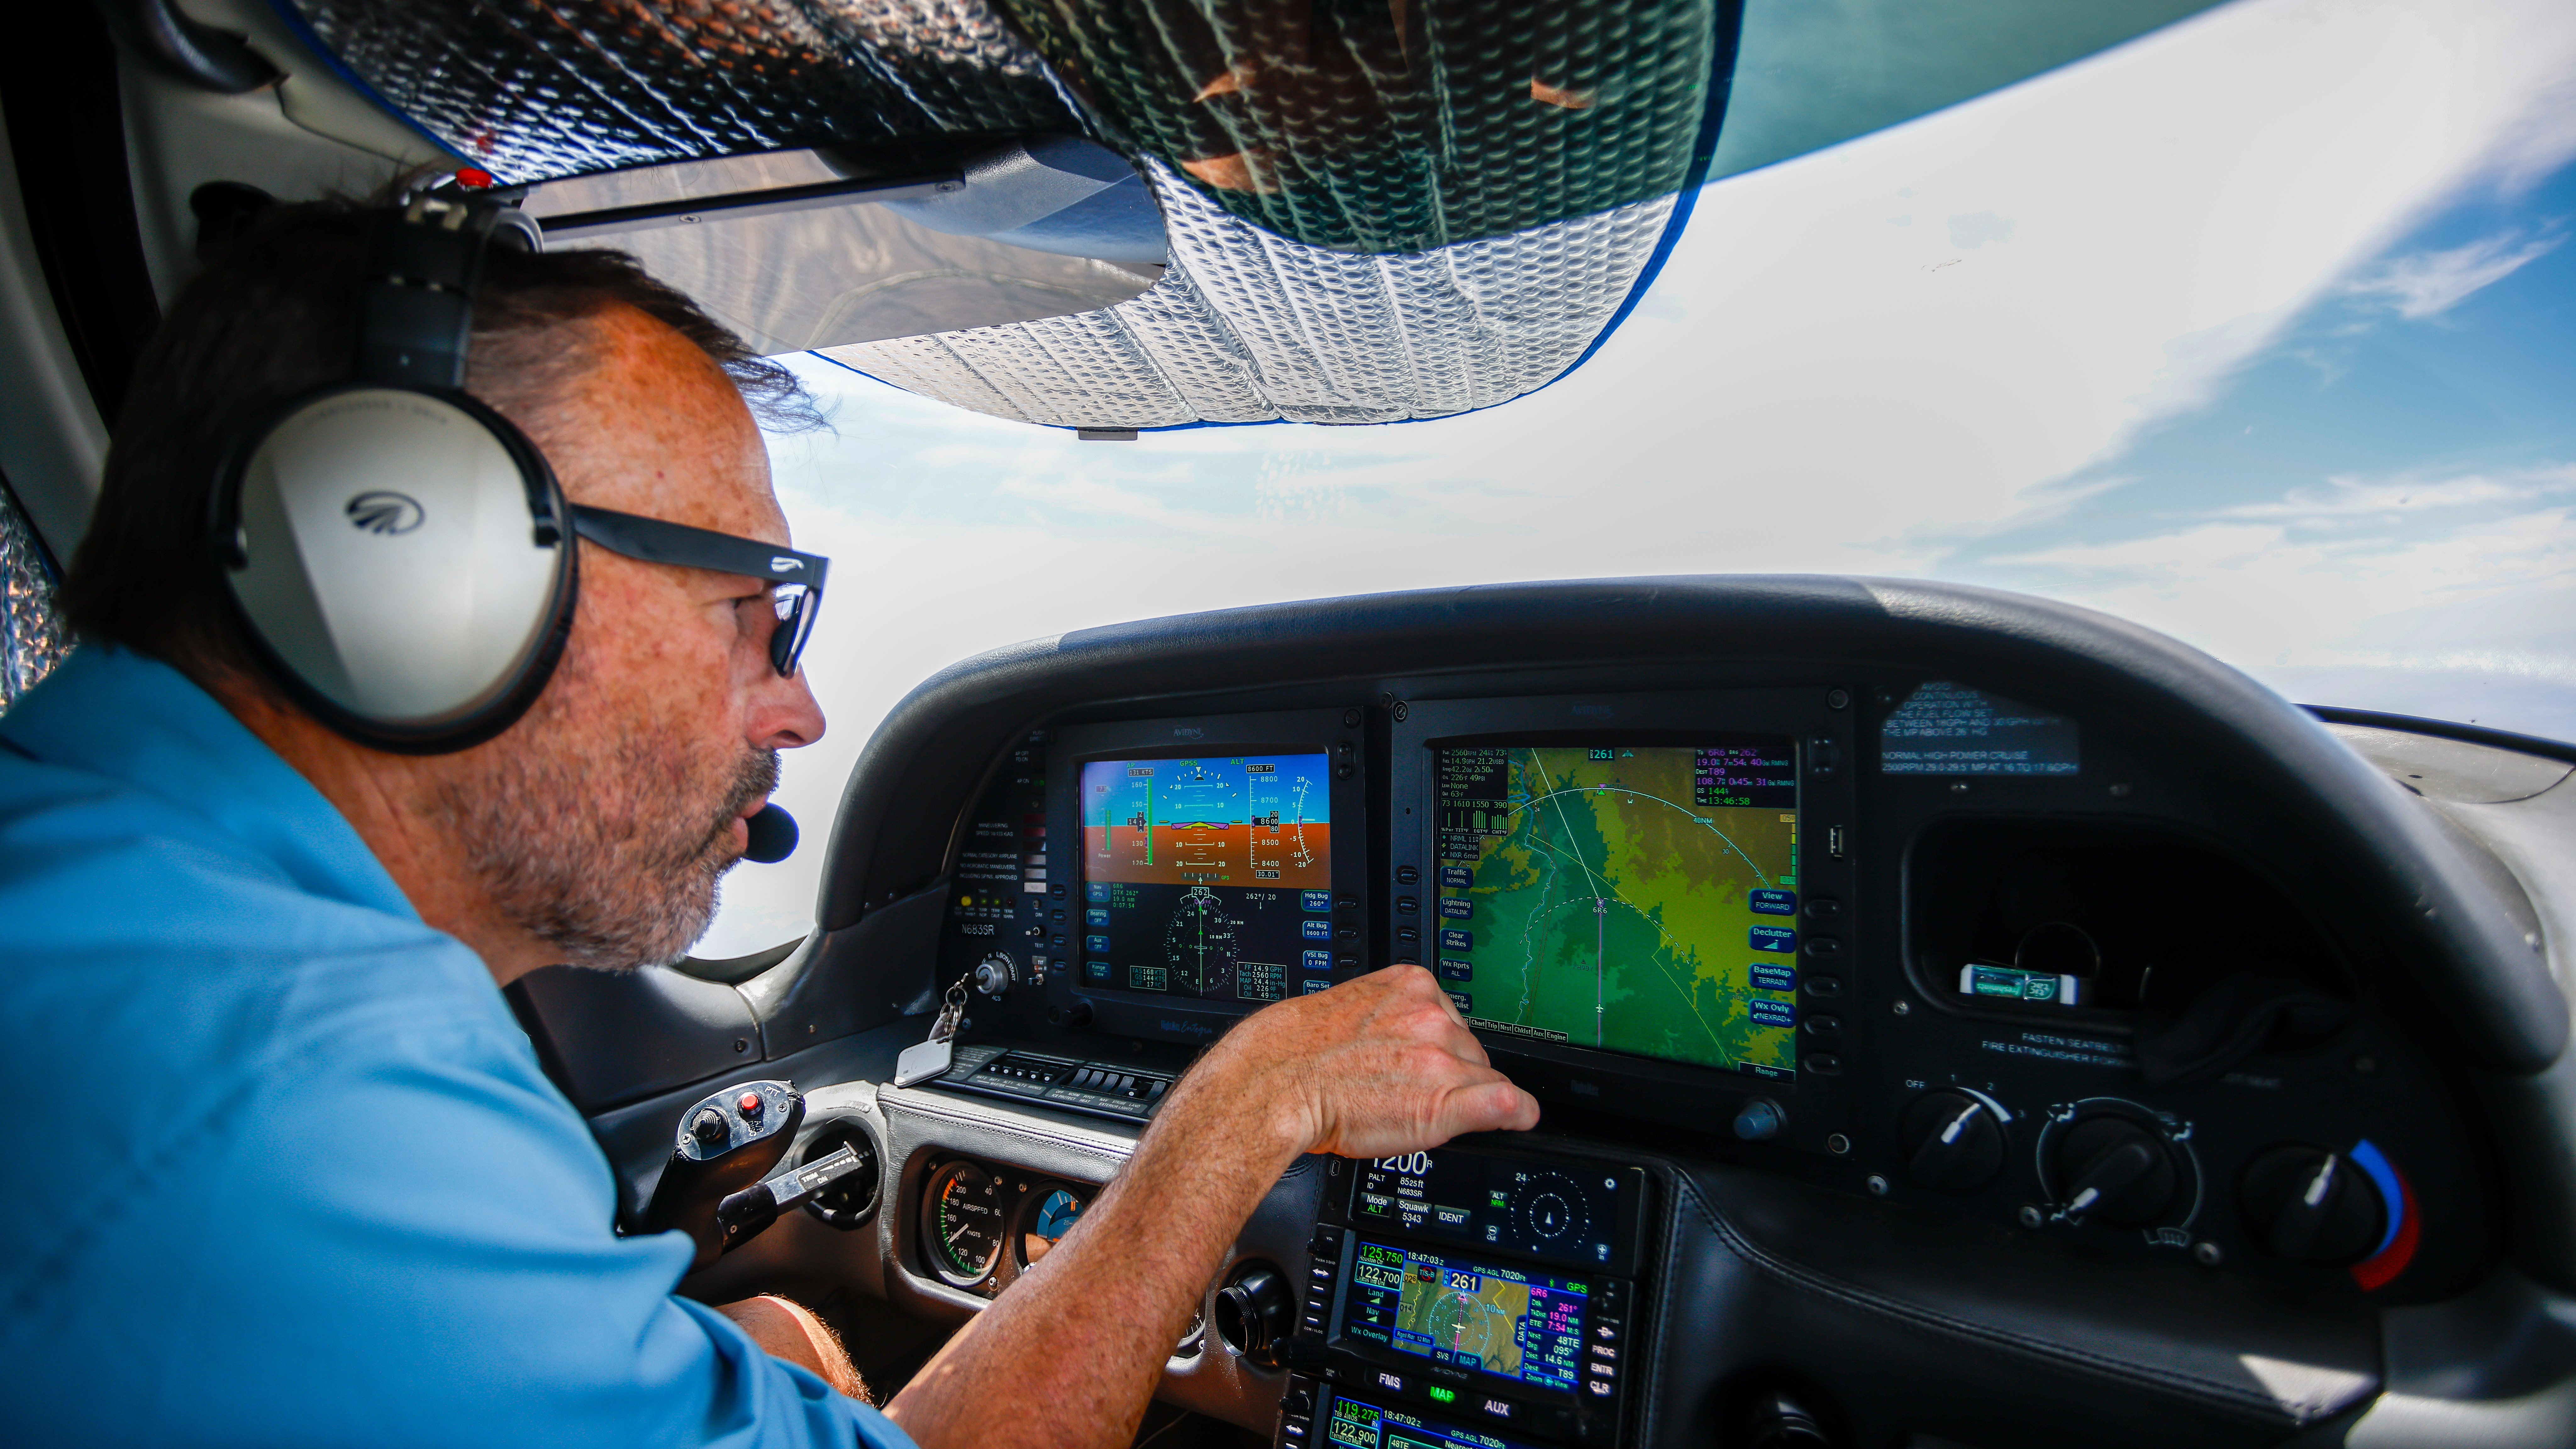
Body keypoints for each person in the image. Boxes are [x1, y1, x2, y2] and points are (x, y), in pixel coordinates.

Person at [0, 197, 1539, 1447]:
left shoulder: (103, 883)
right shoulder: (296, 1094)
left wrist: (760, 1352)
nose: (797, 712)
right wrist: (1228, 1118)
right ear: (410, 571)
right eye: (748, 611)